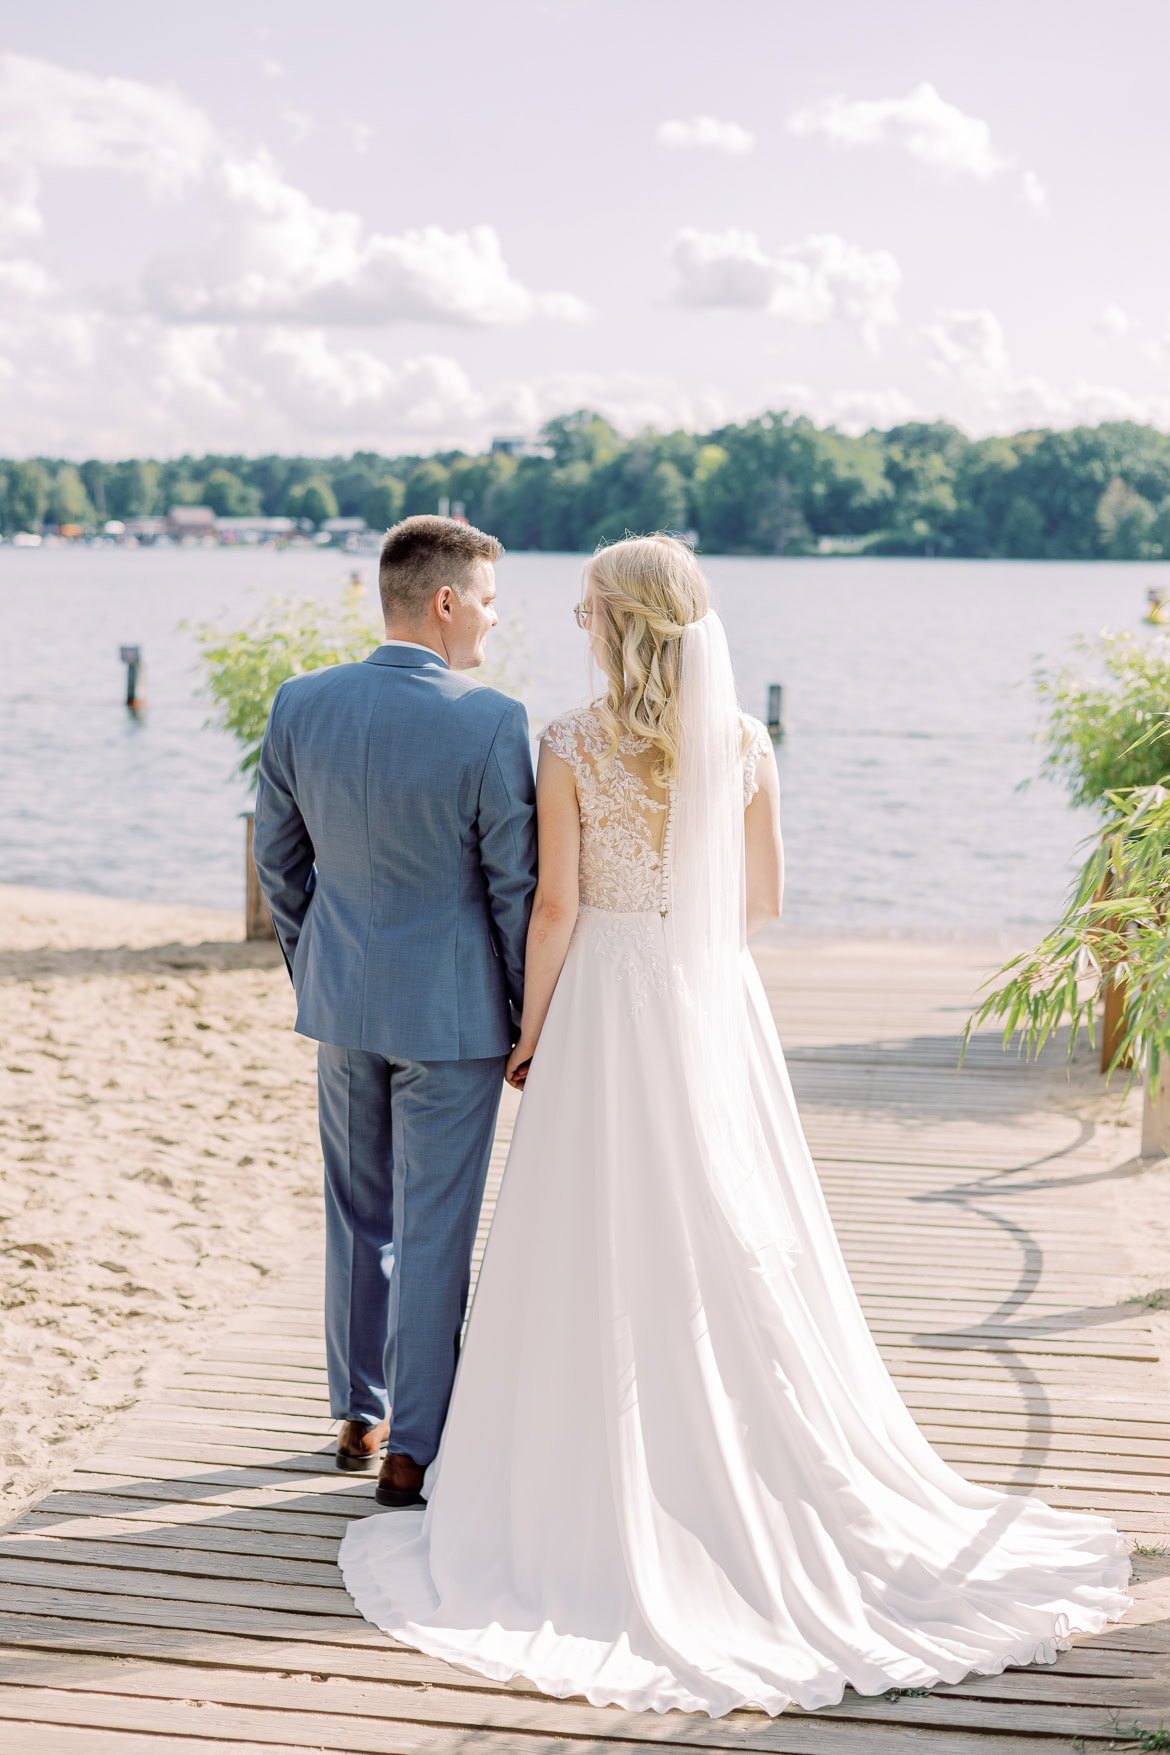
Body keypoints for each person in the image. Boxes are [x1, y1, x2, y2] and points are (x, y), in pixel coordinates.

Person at [339, 534, 1129, 1718]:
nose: (571, 619)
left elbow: (553, 905)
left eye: (587, 604)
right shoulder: (747, 742)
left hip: (603, 994)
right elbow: (760, 902)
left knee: (591, 1221)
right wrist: (687, 960)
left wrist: (529, 1031)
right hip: (706, 999)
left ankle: (586, 1465)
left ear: (622, 624)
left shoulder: (566, 741)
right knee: (722, 1216)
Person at [252, 515, 537, 1507]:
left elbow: (280, 866)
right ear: (448, 603)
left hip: (341, 1001)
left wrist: (316, 965)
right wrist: (521, 1011)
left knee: (355, 1213)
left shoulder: (301, 702)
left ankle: (359, 1415)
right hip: (454, 1018)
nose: (496, 624)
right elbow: (513, 887)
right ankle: (414, 1446)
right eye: (491, 603)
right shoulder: (493, 720)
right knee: (432, 1230)